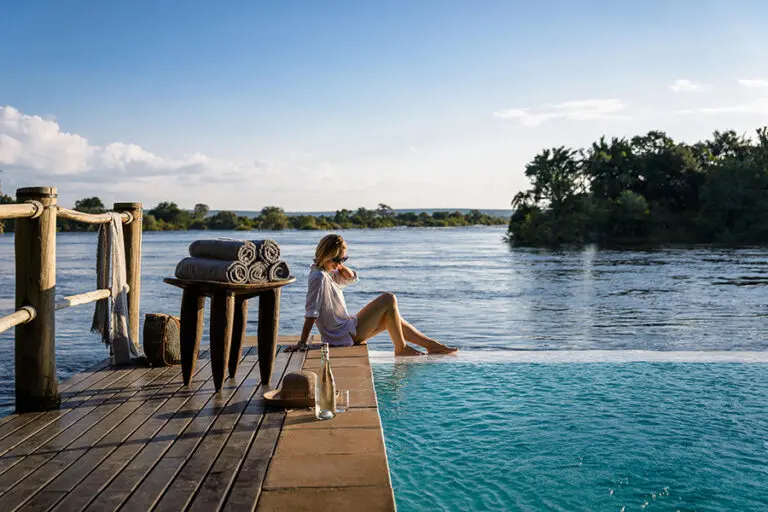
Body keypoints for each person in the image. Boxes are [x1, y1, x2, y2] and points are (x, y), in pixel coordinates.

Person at [290, 234, 458, 356]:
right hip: (341, 335)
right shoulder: (318, 277)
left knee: (391, 318)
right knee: (388, 298)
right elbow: (311, 312)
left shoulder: (326, 272)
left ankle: (431, 345)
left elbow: (352, 278)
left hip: (346, 329)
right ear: (327, 256)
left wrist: (340, 266)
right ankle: (401, 348)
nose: (340, 264)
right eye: (338, 260)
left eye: (344, 259)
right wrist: (302, 343)